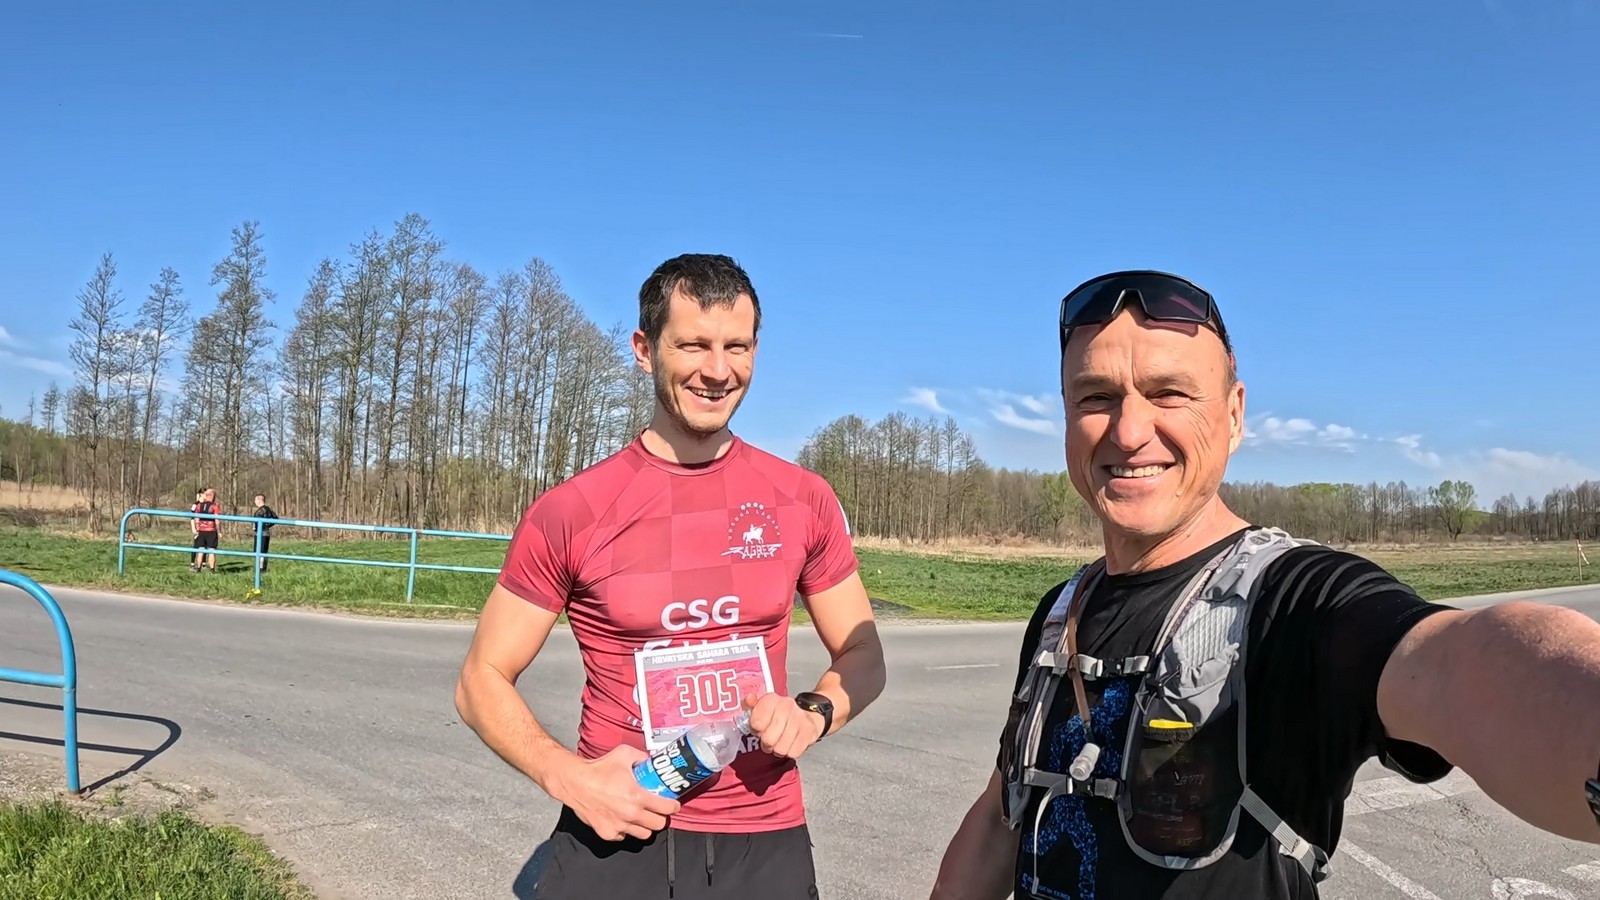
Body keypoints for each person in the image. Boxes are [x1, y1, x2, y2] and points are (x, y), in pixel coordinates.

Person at [929, 270, 1600, 900]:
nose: (1129, 432)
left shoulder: (1291, 602)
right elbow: (999, 817)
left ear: (1234, 415)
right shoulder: (1061, 611)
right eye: (1096, 397)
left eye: (1169, 393)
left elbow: (1461, 663)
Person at [454, 253, 887, 899]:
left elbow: (863, 654)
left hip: (763, 836)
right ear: (644, 349)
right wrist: (569, 778)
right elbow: (480, 679)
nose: (718, 370)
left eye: (736, 346)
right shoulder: (574, 510)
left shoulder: (803, 499)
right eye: (693, 345)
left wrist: (813, 714)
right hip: (618, 827)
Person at [191, 487, 219, 573]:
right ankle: (212, 569)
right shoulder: (215, 506)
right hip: (211, 531)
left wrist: (197, 527)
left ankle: (198, 568)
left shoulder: (199, 505)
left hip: (202, 530)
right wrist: (219, 531)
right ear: (212, 496)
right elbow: (217, 519)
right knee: (212, 550)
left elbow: (196, 517)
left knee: (201, 549)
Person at [251, 493, 279, 572]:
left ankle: (260, 569)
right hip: (266, 533)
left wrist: (257, 527)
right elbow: (276, 518)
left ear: (259, 500)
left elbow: (256, 522)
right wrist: (268, 526)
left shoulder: (259, 511)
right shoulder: (268, 509)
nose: (255, 502)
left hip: (260, 533)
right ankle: (264, 568)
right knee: (264, 551)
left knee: (259, 551)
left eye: (255, 500)